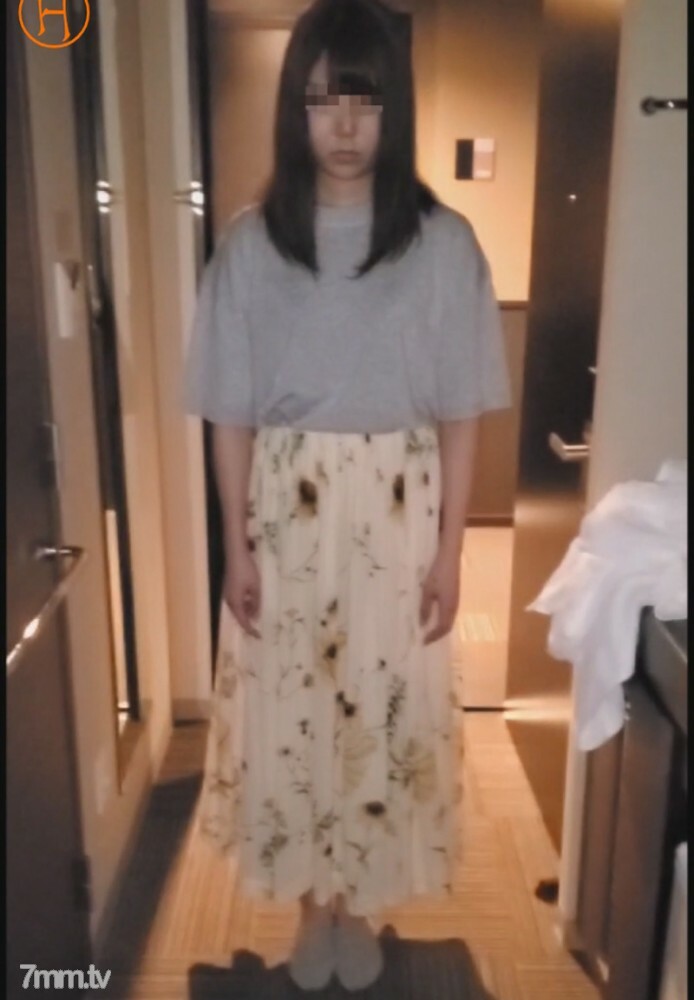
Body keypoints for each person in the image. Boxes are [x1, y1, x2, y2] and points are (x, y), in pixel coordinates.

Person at [183, 0, 512, 990]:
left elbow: (460, 413)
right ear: (296, 108)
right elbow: (228, 415)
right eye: (323, 99)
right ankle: (308, 906)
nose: (343, 124)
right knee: (293, 709)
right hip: (287, 514)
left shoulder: (442, 245)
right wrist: (237, 548)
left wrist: (451, 549)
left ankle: (358, 902)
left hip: (396, 514)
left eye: (363, 101)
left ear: (391, 110)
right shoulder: (250, 246)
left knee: (381, 709)